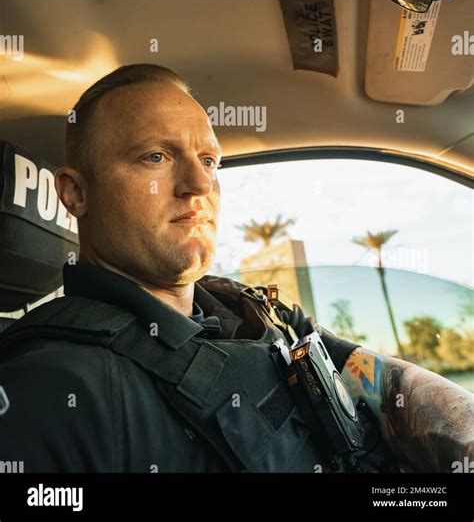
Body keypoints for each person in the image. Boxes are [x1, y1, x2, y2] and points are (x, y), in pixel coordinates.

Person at [0, 64, 472, 473]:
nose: (200, 182)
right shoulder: (56, 389)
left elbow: (376, 380)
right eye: (156, 157)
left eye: (208, 160)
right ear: (75, 194)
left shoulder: (251, 312)